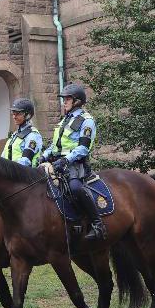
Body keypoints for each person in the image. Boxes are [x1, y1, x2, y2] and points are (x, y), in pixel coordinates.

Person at [41, 83, 104, 240]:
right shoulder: (64, 120)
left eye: (67, 99)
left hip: (75, 165)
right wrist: (44, 156)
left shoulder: (86, 120)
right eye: (64, 99)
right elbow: (55, 146)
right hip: (57, 163)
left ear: (77, 101)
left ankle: (97, 224)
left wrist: (65, 160)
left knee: (75, 188)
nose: (64, 102)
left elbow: (83, 148)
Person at [1, 98, 43, 167]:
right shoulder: (14, 135)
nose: (14, 116)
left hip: (25, 172)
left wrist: (9, 168)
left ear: (28, 115)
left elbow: (26, 161)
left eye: (18, 114)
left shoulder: (32, 135)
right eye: (13, 113)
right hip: (10, 172)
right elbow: (3, 156)